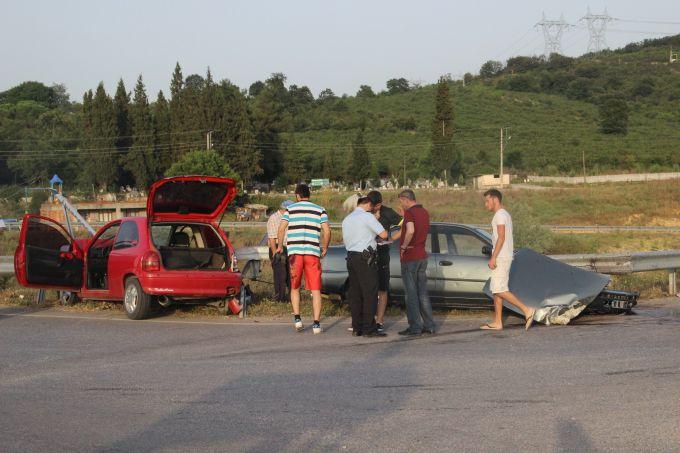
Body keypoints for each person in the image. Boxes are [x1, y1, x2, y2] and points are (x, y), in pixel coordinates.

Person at [276, 184, 331, 334]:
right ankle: (316, 324)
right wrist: (325, 247)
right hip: (312, 253)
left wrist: (280, 246)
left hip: (295, 253)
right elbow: (327, 230)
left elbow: (281, 228)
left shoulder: (290, 209)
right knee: (316, 289)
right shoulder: (320, 209)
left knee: (294, 287)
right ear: (309, 195)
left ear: (297, 196)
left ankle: (298, 319)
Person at [480, 189, 535, 331]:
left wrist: (493, 257)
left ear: (495, 200)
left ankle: (527, 310)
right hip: (504, 256)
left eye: (487, 201)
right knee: (497, 289)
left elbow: (501, 237)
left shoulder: (499, 215)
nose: (486, 204)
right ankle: (498, 322)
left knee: (499, 289)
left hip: (501, 257)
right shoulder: (505, 214)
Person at [342, 196, 389, 337]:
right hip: (365, 258)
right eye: (372, 206)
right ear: (368, 204)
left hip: (351, 257)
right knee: (370, 292)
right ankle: (369, 328)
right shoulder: (368, 217)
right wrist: (376, 221)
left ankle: (357, 327)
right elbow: (384, 234)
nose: (373, 208)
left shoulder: (347, 219)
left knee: (355, 293)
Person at [397, 189, 435, 336]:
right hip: (422, 255)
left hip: (410, 256)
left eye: (401, 201)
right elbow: (417, 226)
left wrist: (403, 246)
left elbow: (411, 230)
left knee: (411, 293)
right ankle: (429, 325)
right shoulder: (424, 212)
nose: (402, 205)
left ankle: (415, 327)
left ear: (406, 199)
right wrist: (404, 216)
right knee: (423, 292)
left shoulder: (410, 213)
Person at [366, 190, 402, 332]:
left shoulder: (387, 212)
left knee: (382, 289)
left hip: (382, 254)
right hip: (367, 254)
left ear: (379, 204)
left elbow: (405, 224)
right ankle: (367, 318)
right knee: (368, 288)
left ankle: (380, 320)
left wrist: (393, 238)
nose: (370, 207)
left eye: (372, 206)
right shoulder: (366, 212)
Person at [267, 200, 293, 302]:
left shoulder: (291, 217)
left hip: (289, 246)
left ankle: (292, 297)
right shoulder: (274, 218)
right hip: (277, 246)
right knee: (280, 274)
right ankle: (279, 297)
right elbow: (272, 237)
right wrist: (275, 253)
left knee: (291, 273)